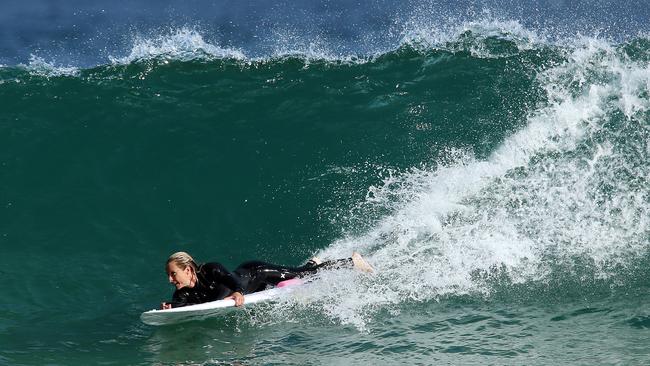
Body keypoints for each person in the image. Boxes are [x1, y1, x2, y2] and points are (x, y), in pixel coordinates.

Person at [161, 251, 374, 309]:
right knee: (299, 274)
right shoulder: (183, 292)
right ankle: (312, 262)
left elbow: (232, 281)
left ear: (188, 270)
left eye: (173, 274)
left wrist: (238, 293)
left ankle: (351, 262)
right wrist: (169, 308)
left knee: (304, 276)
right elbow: (181, 304)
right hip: (253, 287)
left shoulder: (211, 269)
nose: (171, 280)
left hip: (256, 272)